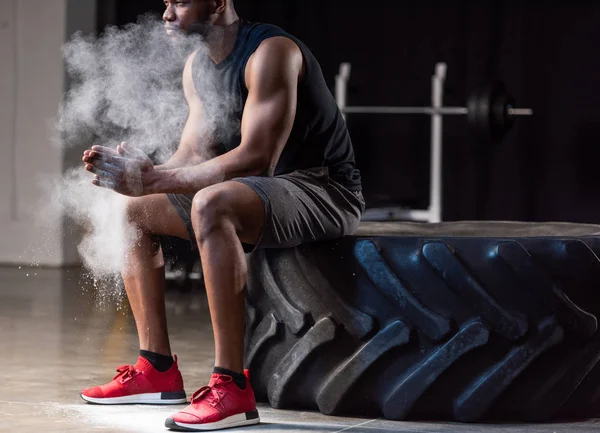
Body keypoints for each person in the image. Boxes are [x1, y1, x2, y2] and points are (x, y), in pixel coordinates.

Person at [80, 0, 364, 430]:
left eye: (180, 2)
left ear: (216, 3)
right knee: (133, 211)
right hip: (260, 192)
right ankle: (156, 368)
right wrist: (149, 175)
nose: (167, 15)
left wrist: (158, 180)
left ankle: (232, 386)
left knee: (212, 203)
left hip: (322, 189)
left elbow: (257, 160)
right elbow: (194, 155)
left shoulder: (271, 52)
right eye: (165, 3)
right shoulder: (197, 65)